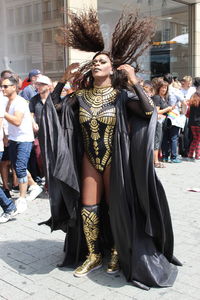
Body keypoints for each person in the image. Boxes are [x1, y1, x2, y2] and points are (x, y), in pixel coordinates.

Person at [39, 9, 181, 290]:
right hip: (89, 159)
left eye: (102, 61)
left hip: (115, 159)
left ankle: (117, 250)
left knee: (116, 207)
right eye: (94, 62)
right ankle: (93, 254)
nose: (96, 64)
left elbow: (148, 110)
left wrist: (134, 82)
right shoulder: (79, 96)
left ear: (113, 68)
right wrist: (62, 81)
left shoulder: (121, 96)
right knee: (88, 208)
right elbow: (52, 111)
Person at [2, 76, 42, 213]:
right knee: (17, 166)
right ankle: (35, 186)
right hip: (13, 139)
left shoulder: (19, 102)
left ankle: (22, 199)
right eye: (2, 86)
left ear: (14, 87)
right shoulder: (6, 101)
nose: (3, 88)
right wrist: (6, 136)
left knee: (19, 168)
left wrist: (3, 113)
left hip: (24, 139)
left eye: (5, 86)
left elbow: (17, 121)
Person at [162, 73, 187, 163]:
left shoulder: (162, 89)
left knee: (165, 136)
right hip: (174, 115)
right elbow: (184, 102)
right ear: (172, 80)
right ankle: (174, 157)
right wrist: (183, 112)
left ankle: (165, 156)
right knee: (174, 137)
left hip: (163, 114)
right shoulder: (175, 91)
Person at [152, 79, 174, 167]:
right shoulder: (157, 97)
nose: (164, 89)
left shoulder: (163, 98)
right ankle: (155, 161)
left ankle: (157, 159)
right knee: (156, 141)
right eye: (162, 88)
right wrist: (168, 109)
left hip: (162, 122)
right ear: (159, 88)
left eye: (165, 88)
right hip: (158, 121)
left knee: (159, 140)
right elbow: (156, 111)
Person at [186, 92, 200, 161]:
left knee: (195, 139)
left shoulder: (191, 104)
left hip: (192, 124)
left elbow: (187, 114)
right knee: (198, 140)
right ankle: (197, 155)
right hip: (198, 123)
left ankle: (190, 154)